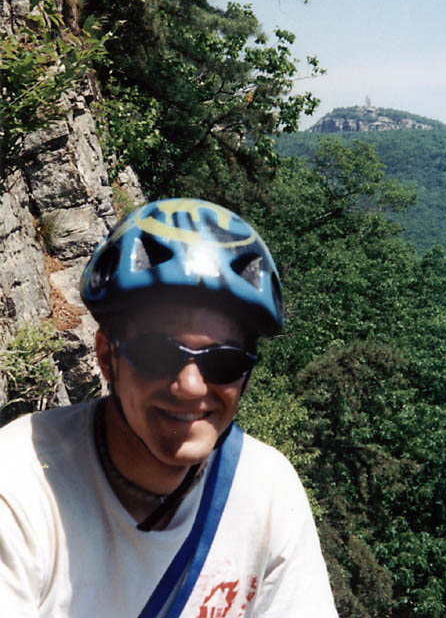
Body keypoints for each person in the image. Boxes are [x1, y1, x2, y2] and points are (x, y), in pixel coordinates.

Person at [0, 198, 338, 617]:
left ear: (245, 376)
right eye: (158, 354)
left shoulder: (264, 493)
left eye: (224, 361)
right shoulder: (18, 485)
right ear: (107, 357)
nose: (191, 386)